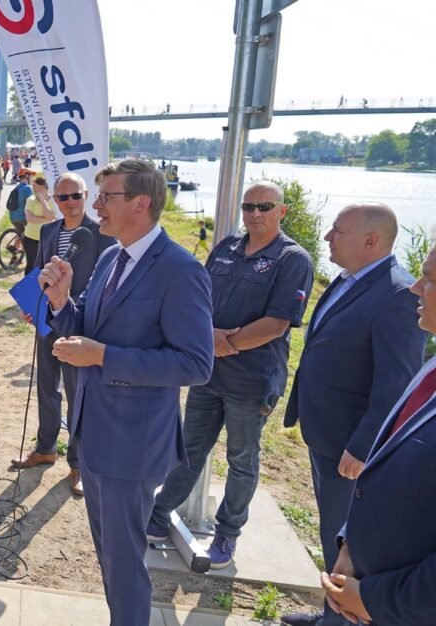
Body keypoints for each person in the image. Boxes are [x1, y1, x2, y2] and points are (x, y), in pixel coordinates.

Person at [40, 158, 214, 625]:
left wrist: (103, 357)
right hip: (93, 434)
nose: (95, 206)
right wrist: (62, 304)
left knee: (124, 563)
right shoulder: (112, 255)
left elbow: (196, 364)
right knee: (110, 556)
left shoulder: (180, 271)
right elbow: (90, 329)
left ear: (141, 203)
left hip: (132, 445)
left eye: (105, 197)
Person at [148, 181, 315, 569]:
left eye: (264, 207)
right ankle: (158, 515)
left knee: (242, 460)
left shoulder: (293, 259)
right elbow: (198, 295)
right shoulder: (226, 248)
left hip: (251, 380)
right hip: (208, 372)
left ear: (281, 211)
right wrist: (206, 338)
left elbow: (277, 323)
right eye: (249, 206)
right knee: (188, 449)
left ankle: (227, 533)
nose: (255, 213)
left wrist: (228, 342)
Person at [280, 203, 427, 626]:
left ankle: (341, 619)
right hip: (325, 435)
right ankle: (332, 613)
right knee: (332, 535)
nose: (326, 237)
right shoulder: (350, 280)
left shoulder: (398, 295)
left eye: (337, 231)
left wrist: (363, 446)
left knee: (349, 543)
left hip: (350, 448)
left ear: (370, 240)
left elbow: (395, 383)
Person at [317, 240, 436, 625]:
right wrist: (350, 546)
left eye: (430, 279)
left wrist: (373, 599)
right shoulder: (430, 369)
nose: (416, 288)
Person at [13, 173, 115, 496]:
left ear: (86, 196)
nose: (69, 203)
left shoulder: (101, 235)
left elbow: (103, 282)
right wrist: (32, 303)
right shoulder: (47, 230)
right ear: (54, 200)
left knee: (77, 395)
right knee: (46, 385)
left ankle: (77, 463)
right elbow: (39, 269)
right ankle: (45, 447)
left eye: (75, 196)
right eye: (62, 197)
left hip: (78, 323)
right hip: (47, 320)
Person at [22, 175, 57, 274]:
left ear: (44, 187)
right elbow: (29, 218)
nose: (33, 189)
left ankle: (41, 287)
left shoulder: (53, 200)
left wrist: (43, 200)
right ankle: (27, 287)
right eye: (33, 186)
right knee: (31, 264)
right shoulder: (30, 200)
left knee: (45, 264)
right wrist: (46, 219)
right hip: (31, 237)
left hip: (46, 238)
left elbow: (50, 217)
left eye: (36, 186)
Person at [8, 167, 35, 242]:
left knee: (21, 233)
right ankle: (27, 249)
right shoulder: (28, 188)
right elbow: (31, 203)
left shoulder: (16, 188)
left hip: (13, 217)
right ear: (27, 176)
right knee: (33, 232)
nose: (32, 178)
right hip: (22, 218)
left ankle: (14, 248)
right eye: (31, 176)